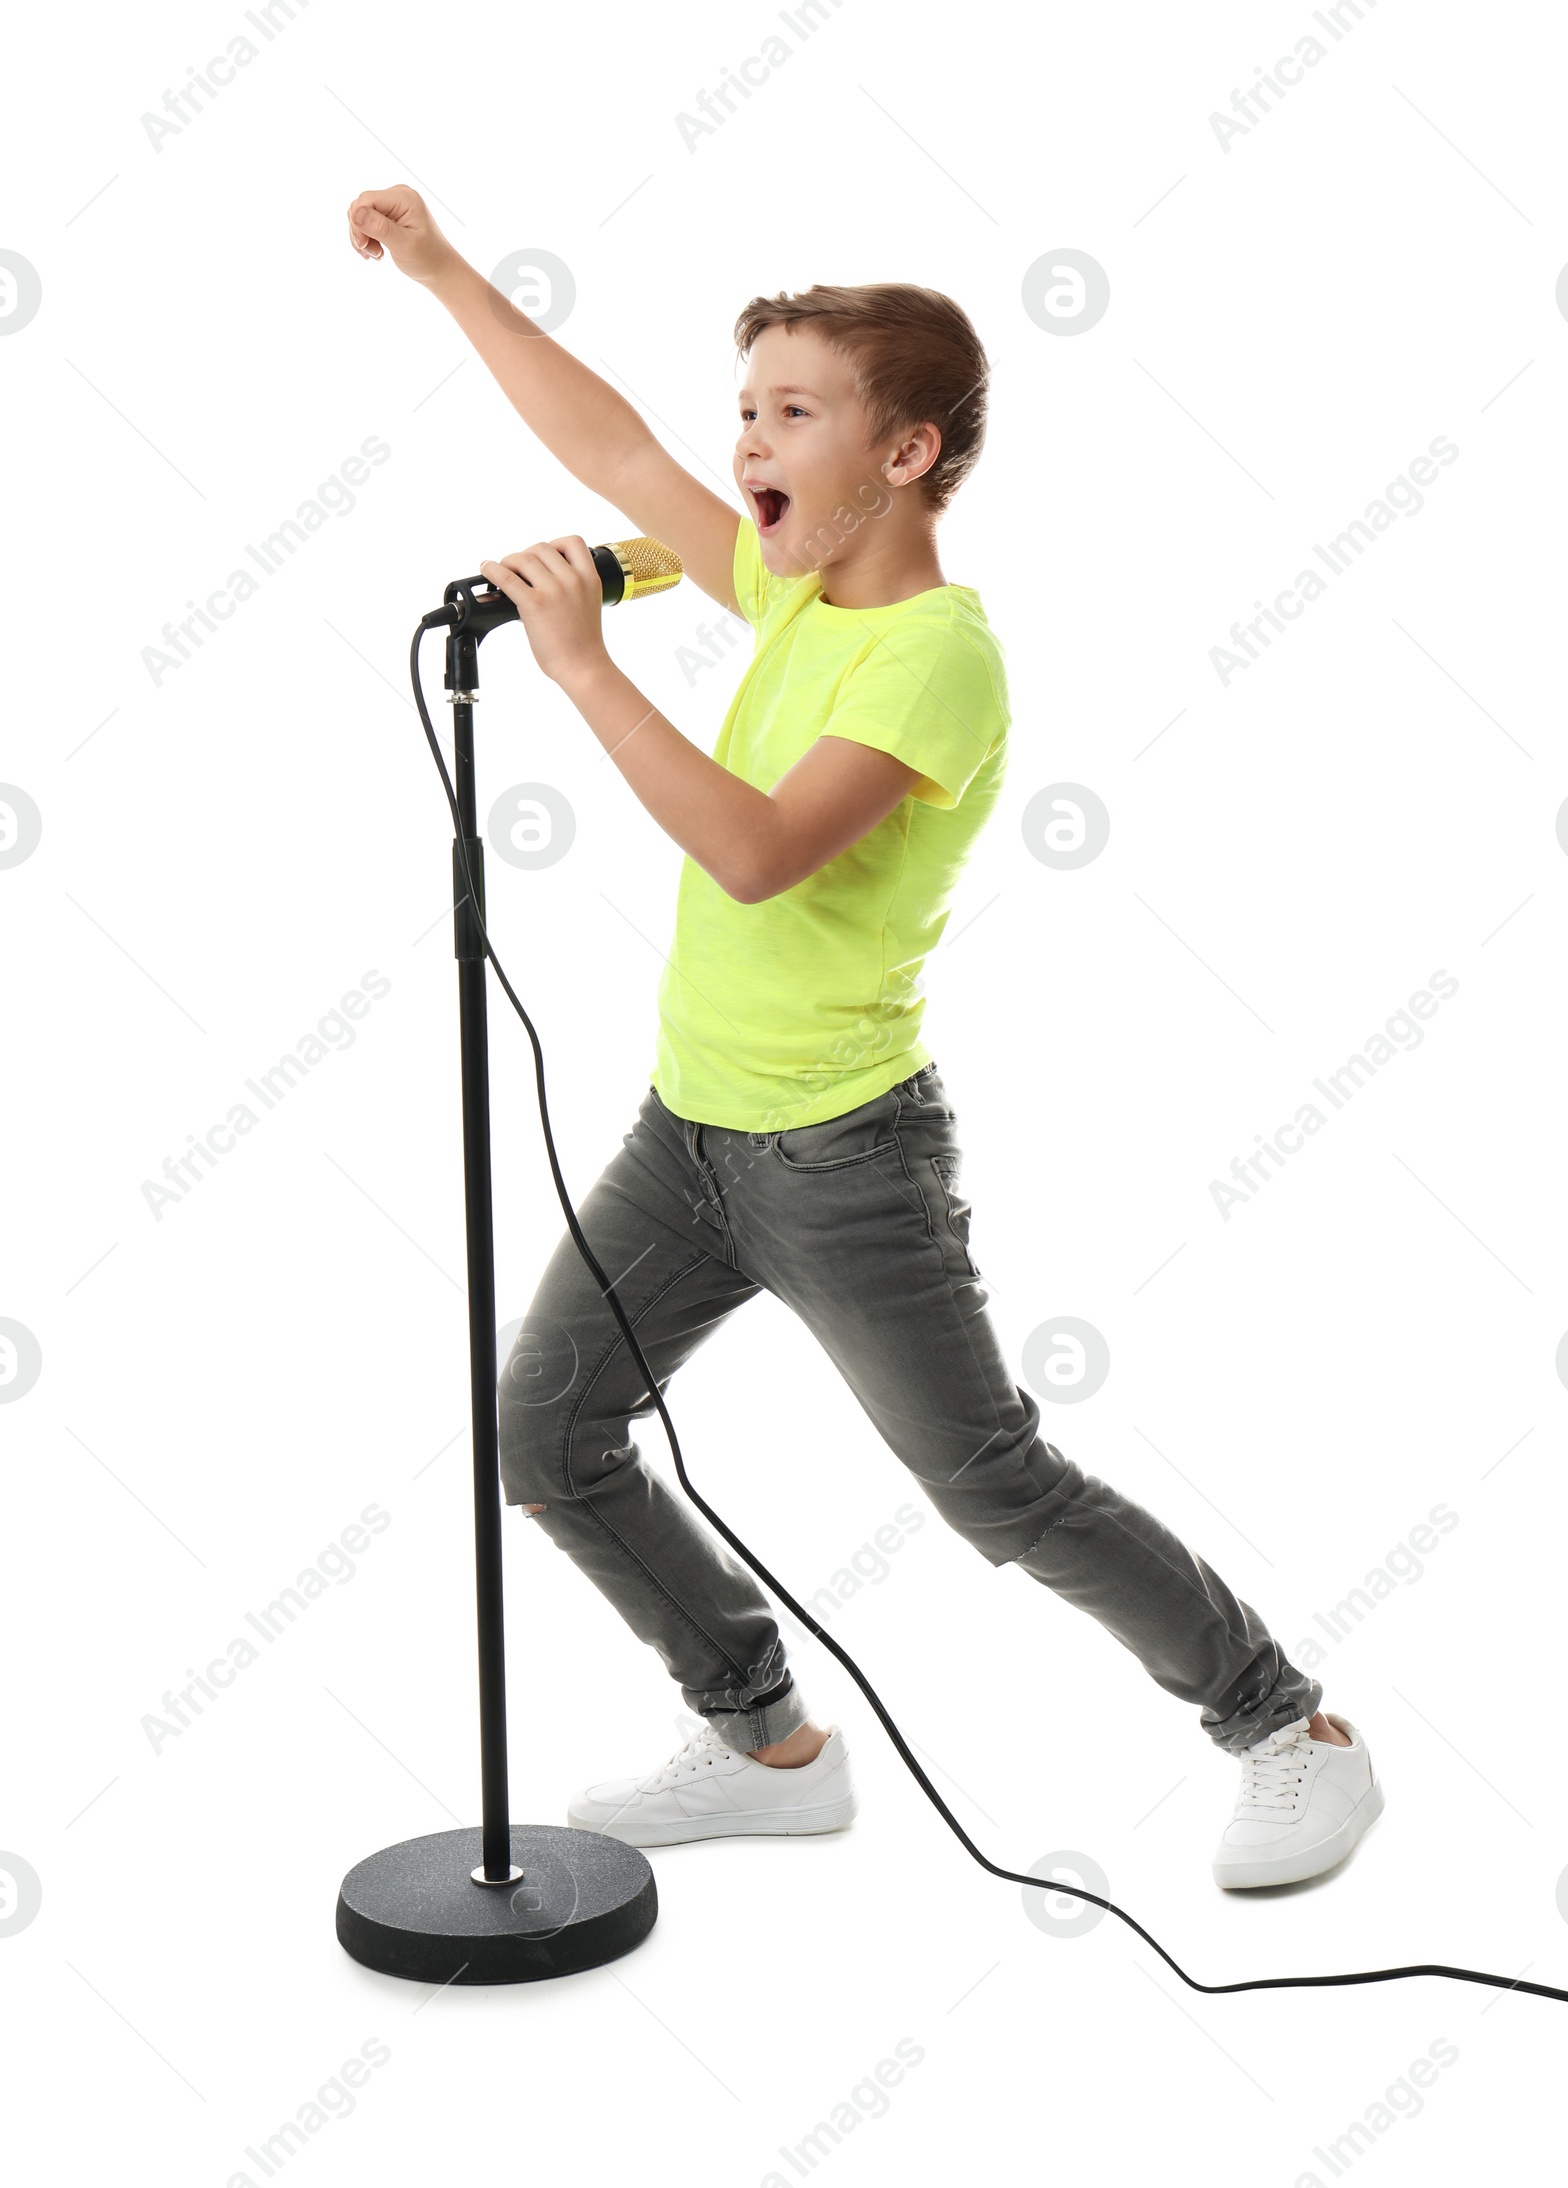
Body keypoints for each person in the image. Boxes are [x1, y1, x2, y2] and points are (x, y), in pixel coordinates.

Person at [346, 184, 1384, 1891]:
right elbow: (606, 442)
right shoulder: (794, 589)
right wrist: (447, 270)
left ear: (903, 456)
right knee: (548, 1434)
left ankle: (1287, 1730)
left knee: (995, 1489)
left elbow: (757, 855)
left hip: (844, 1159)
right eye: (742, 406)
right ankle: (765, 1741)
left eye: (790, 412)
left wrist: (587, 673)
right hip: (688, 1135)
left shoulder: (933, 658)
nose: (743, 440)